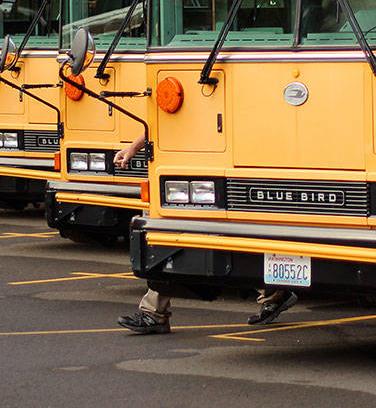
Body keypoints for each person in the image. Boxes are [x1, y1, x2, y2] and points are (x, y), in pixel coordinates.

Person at [113, 132, 298, 334]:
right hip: (195, 173)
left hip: (218, 166)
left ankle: (273, 292)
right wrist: (133, 147)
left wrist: (133, 147)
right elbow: (162, 123)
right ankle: (153, 312)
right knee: (175, 241)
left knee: (222, 241)